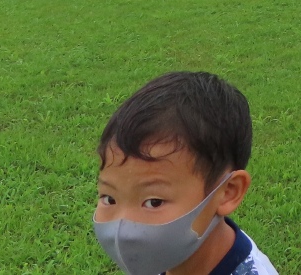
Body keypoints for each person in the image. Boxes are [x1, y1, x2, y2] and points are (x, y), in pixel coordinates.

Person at [94, 71, 279, 275]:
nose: (124, 230)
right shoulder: (167, 256)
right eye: (109, 199)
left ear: (228, 192)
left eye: (154, 202)